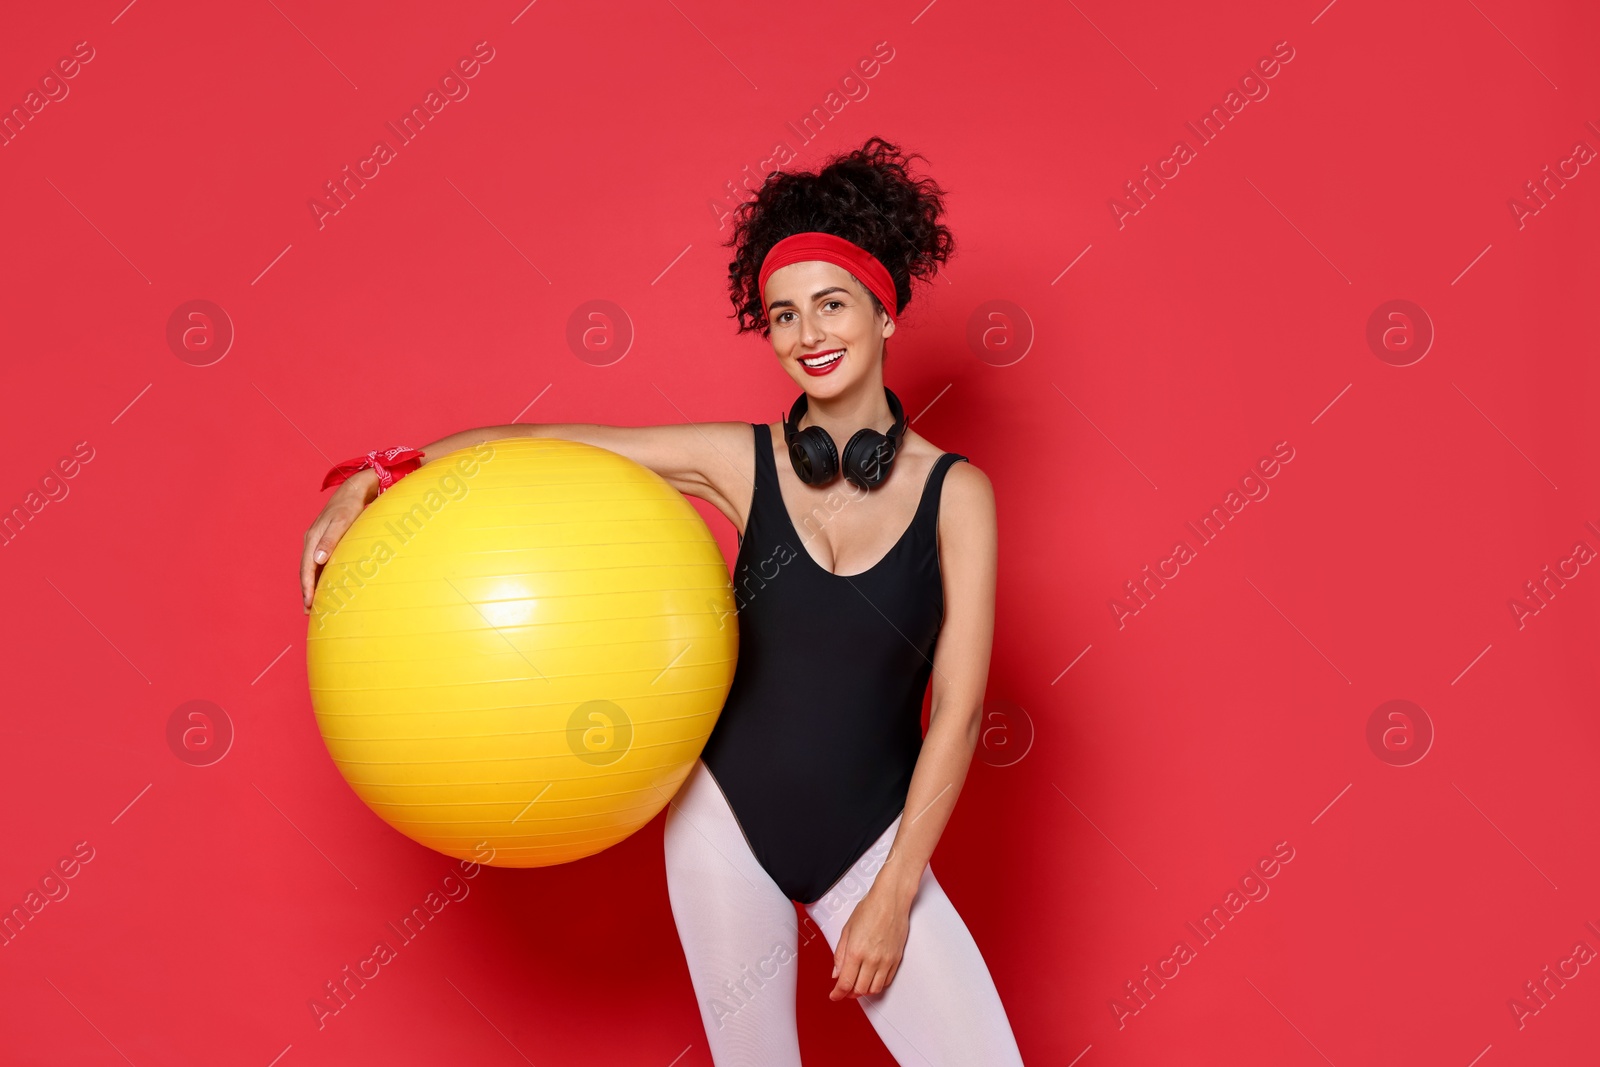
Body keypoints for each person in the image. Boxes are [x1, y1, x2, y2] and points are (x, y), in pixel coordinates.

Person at [298, 136, 1024, 1066]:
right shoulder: (739, 459)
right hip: (723, 819)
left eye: (832, 304)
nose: (809, 335)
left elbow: (959, 714)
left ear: (884, 313)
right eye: (783, 315)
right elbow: (544, 443)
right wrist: (372, 475)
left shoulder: (958, 494)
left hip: (876, 835)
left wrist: (892, 890)